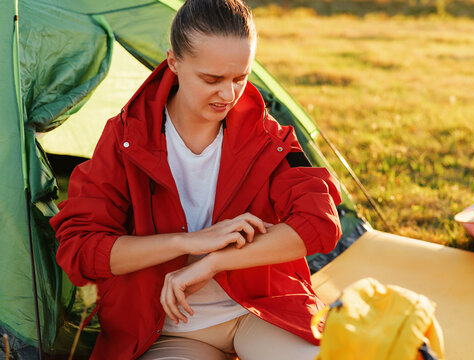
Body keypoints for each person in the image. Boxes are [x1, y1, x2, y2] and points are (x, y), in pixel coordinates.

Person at [50, 0, 342, 359]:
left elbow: (320, 223)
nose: (228, 95)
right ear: (173, 62)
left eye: (240, 77)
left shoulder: (270, 138)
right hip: (168, 331)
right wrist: (187, 242)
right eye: (211, 79)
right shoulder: (125, 139)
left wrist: (215, 261)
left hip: (263, 311)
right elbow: (79, 249)